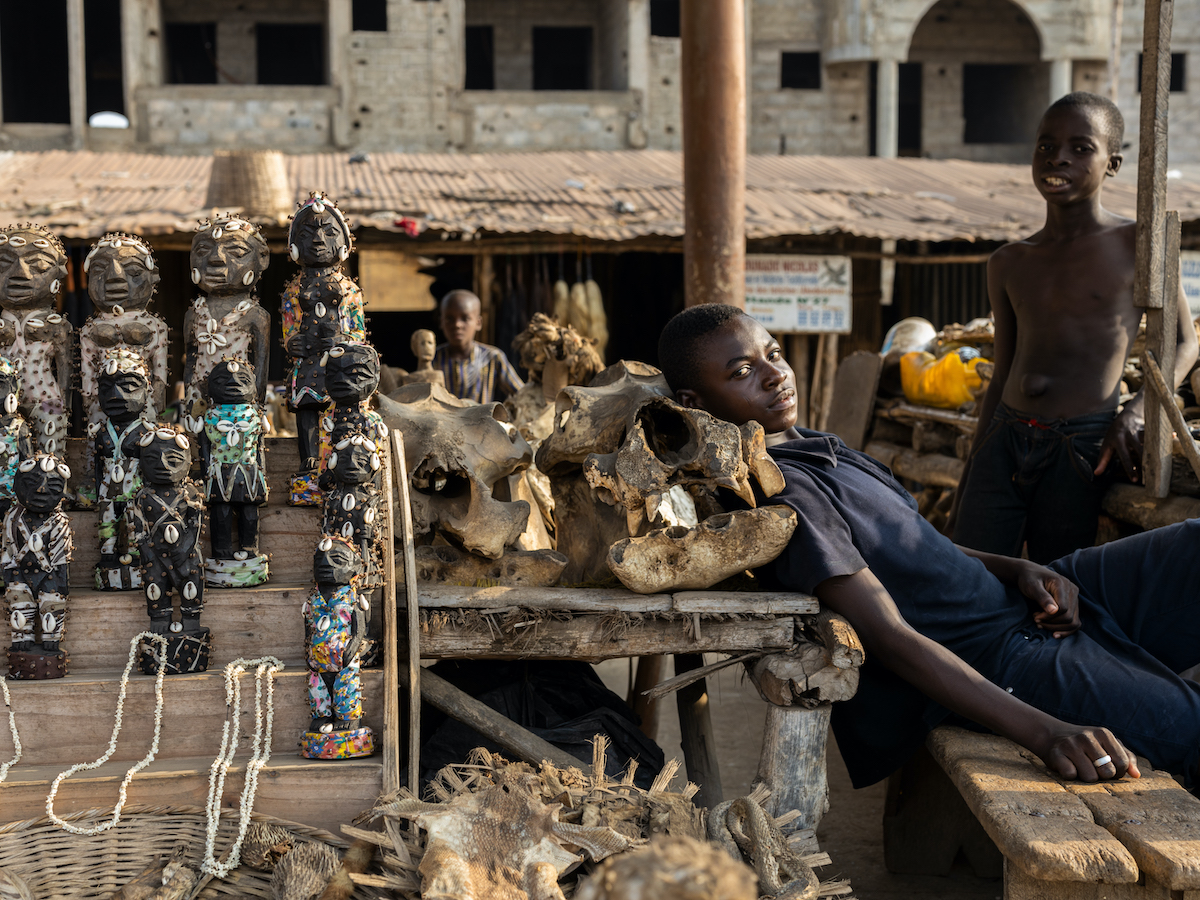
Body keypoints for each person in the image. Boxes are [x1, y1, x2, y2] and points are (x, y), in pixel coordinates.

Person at [661, 303, 1200, 792]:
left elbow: (922, 547)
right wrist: (1049, 733)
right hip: (997, 658)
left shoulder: (816, 445)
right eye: (742, 372)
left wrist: (1017, 569)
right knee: (1191, 729)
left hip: (1021, 603)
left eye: (773, 354)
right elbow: (892, 639)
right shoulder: (785, 498)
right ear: (694, 403)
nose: (776, 373)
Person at [953, 92, 1198, 562]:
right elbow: (1002, 374)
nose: (1058, 157)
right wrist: (973, 470)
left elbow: (1185, 342)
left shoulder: (1138, 244)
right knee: (968, 572)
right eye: (1045, 145)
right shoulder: (1008, 261)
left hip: (1081, 445)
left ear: (1113, 163)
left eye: (1081, 147)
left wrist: (1137, 410)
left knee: (1055, 579)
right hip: (1005, 436)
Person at [433, 290, 523, 404]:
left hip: (481, 421)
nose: (457, 325)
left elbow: (522, 394)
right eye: (449, 319)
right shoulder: (433, 359)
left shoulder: (492, 357)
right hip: (442, 421)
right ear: (441, 322)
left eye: (465, 318)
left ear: (478, 322)